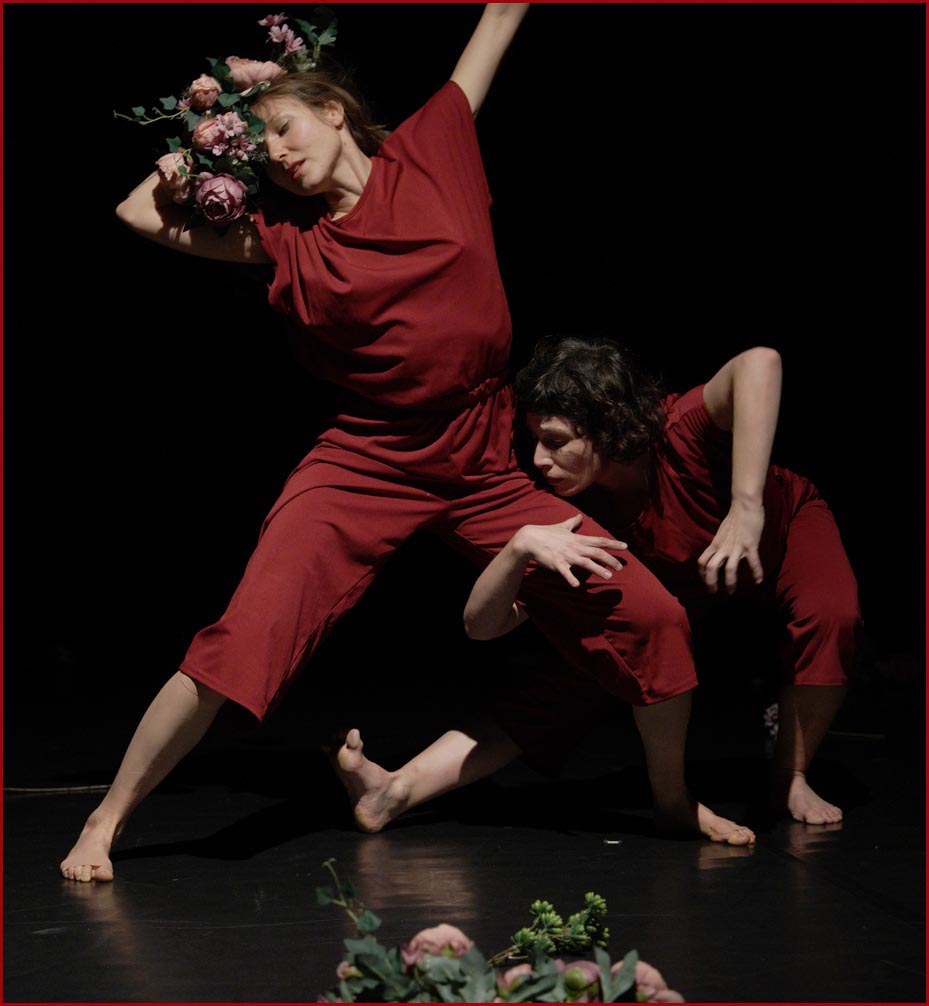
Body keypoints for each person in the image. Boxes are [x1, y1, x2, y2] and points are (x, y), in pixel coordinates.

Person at [61, 6, 752, 884]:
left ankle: (670, 799)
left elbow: (500, 16)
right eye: (260, 148)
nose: (277, 154)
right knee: (246, 638)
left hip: (483, 457)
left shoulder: (432, 149)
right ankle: (106, 820)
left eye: (285, 127)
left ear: (333, 110)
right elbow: (134, 211)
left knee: (650, 613)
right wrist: (196, 155)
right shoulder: (288, 245)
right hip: (368, 460)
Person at [335, 336, 860, 832]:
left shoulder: (679, 431)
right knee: (570, 676)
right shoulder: (570, 511)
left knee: (831, 613)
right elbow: (482, 627)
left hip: (778, 533)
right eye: (535, 441)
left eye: (556, 442)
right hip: (683, 586)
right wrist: (517, 548)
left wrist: (746, 507)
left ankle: (791, 776)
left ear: (606, 426)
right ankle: (394, 791)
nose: (539, 460)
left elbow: (761, 361)